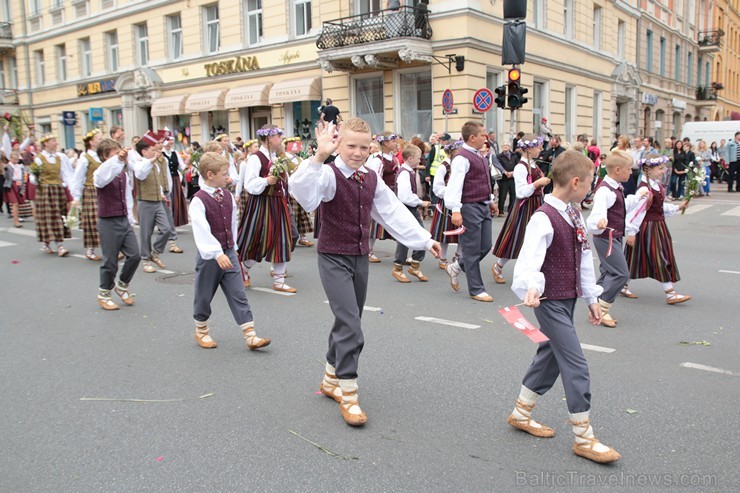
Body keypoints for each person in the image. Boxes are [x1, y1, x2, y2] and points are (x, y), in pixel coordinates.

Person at [290, 118, 440, 427]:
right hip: (333, 256)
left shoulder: (371, 177)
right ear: (338, 144)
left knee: (349, 320)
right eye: (350, 146)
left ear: (371, 145)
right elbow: (304, 195)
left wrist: (425, 239)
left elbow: (392, 211)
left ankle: (330, 379)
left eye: (363, 146)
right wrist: (319, 156)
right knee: (350, 324)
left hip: (358, 257)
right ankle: (349, 392)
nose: (357, 153)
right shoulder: (328, 174)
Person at [508, 149, 620, 464]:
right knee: (576, 364)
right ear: (574, 182)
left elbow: (584, 257)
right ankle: (584, 438)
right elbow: (531, 259)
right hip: (549, 300)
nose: (590, 190)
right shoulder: (544, 216)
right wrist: (532, 286)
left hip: (567, 298)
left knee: (551, 356)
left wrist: (591, 297)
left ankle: (521, 412)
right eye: (588, 185)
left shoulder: (572, 213)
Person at [189, 151, 271, 351]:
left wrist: (232, 247)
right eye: (224, 173)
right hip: (211, 256)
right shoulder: (198, 199)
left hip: (229, 252)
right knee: (204, 293)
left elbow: (232, 222)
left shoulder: (227, 196)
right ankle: (201, 329)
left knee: (238, 292)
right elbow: (201, 230)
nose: (228, 177)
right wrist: (217, 253)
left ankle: (250, 335)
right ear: (210, 174)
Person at [586, 151, 646, 327]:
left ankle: (595, 306)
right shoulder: (605, 190)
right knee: (621, 273)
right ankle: (602, 310)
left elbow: (621, 206)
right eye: (629, 169)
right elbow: (598, 212)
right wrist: (599, 221)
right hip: (607, 237)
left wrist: (637, 198)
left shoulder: (615, 187)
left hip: (613, 236)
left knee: (607, 272)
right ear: (617, 170)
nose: (631, 172)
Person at [623, 154, 691, 304]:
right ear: (648, 170)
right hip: (648, 227)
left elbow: (658, 207)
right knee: (659, 257)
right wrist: (632, 232)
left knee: (634, 257)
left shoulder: (654, 185)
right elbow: (637, 211)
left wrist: (678, 207)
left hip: (658, 226)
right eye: (660, 168)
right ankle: (670, 293)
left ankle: (623, 285)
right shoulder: (644, 189)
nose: (663, 171)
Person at [443, 121, 499, 302]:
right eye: (482, 134)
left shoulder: (480, 155)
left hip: (482, 205)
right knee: (472, 249)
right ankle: (476, 289)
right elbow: (455, 186)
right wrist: (456, 210)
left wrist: (491, 200)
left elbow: (483, 181)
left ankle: (457, 266)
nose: (486, 137)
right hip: (469, 207)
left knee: (485, 246)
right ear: (473, 137)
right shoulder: (462, 158)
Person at [235, 125, 295, 293]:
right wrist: (266, 181)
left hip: (278, 203)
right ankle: (244, 267)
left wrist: (289, 193)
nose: (281, 139)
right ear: (269, 139)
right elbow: (250, 184)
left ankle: (279, 280)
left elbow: (286, 181)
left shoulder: (278, 157)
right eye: (278, 136)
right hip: (262, 204)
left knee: (282, 240)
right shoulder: (256, 158)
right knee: (260, 241)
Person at [492, 135, 550, 285]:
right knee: (516, 238)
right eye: (539, 147)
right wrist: (537, 183)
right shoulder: (520, 167)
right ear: (529, 149)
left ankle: (535, 272)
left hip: (537, 204)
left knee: (537, 239)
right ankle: (498, 266)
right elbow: (521, 192)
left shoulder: (534, 165)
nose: (541, 149)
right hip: (525, 206)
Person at [92, 138, 141, 310]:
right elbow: (102, 179)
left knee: (135, 255)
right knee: (110, 261)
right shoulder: (100, 172)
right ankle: (104, 293)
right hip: (108, 220)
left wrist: (130, 218)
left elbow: (127, 196)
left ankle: (122, 285)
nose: (120, 154)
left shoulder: (123, 173)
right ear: (105, 156)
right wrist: (117, 160)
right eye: (115, 152)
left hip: (123, 219)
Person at [132, 132, 172, 273]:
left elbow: (158, 182)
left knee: (166, 229)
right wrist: (151, 161)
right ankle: (145, 260)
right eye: (152, 150)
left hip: (157, 201)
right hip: (145, 202)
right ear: (144, 151)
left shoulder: (155, 165)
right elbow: (140, 174)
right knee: (146, 233)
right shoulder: (140, 164)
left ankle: (155, 253)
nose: (156, 152)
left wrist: (161, 193)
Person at [391, 144, 431, 283]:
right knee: (409, 237)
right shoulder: (404, 173)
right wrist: (421, 202)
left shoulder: (409, 171)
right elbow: (404, 196)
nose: (420, 161)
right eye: (419, 158)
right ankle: (399, 267)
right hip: (405, 209)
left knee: (418, 235)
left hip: (409, 209)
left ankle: (414, 265)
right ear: (410, 158)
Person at [29, 135, 74, 256]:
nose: (55, 143)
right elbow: (32, 177)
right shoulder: (39, 159)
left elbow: (66, 174)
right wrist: (38, 179)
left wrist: (70, 188)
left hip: (58, 190)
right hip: (45, 191)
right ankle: (53, 244)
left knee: (59, 216)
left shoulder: (60, 158)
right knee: (47, 217)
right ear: (46, 144)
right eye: (53, 141)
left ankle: (58, 244)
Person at [365, 132, 400, 262]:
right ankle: (368, 250)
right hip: (380, 194)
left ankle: (402, 253)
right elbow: (374, 178)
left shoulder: (393, 158)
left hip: (393, 193)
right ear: (385, 143)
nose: (395, 143)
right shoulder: (376, 159)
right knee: (374, 223)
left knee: (397, 222)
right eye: (392, 141)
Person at [71, 129, 104, 261]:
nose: (101, 140)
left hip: (102, 189)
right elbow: (77, 178)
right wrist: (76, 197)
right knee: (93, 220)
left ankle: (111, 248)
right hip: (91, 190)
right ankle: (90, 249)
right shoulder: (85, 158)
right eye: (99, 139)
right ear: (91, 142)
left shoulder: (101, 155)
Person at [430, 139, 463, 269]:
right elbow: (437, 188)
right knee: (445, 232)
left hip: (459, 202)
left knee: (461, 231)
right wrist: (451, 192)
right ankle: (442, 259)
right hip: (446, 203)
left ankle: (458, 256)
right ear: (452, 151)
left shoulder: (459, 164)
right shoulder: (444, 166)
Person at [161, 136, 187, 253]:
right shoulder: (160, 154)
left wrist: (186, 168)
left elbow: (182, 166)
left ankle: (174, 223)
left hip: (175, 179)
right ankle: (165, 226)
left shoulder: (175, 153)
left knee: (175, 202)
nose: (171, 142)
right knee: (168, 204)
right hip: (166, 180)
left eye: (172, 140)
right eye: (169, 140)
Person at [3, 150, 26, 228]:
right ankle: (16, 221)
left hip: (18, 184)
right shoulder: (8, 167)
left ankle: (17, 218)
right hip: (11, 185)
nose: (16, 160)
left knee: (18, 203)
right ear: (11, 158)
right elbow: (6, 176)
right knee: (14, 203)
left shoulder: (20, 167)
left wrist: (22, 185)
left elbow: (23, 176)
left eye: (17, 158)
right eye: (14, 158)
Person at [495, 142, 518, 216]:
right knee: (502, 195)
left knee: (513, 195)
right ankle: (500, 211)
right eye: (504, 145)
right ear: (502, 147)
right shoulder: (499, 156)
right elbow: (499, 165)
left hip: (513, 177)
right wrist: (505, 173)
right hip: (504, 178)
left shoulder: (514, 155)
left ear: (510, 147)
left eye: (507, 145)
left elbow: (517, 165)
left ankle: (511, 210)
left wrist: (513, 173)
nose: (505, 147)